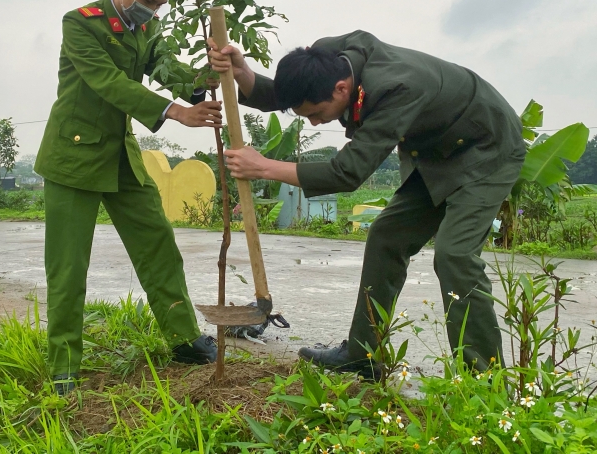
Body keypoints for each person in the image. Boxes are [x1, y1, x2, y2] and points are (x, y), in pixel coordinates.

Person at [208, 30, 525, 373]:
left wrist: (265, 167)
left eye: (317, 113)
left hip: (486, 149)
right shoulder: (331, 58)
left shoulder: (398, 87)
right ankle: (363, 356)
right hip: (434, 153)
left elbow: (347, 172)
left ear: (341, 90)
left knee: (455, 255)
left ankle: (485, 379)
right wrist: (243, 73)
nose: (314, 121)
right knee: (386, 238)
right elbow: (294, 94)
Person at [35, 0, 223, 395]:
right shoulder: (80, 22)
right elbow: (109, 82)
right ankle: (64, 366)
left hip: (121, 156)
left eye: (160, 5)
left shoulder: (147, 27)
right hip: (72, 158)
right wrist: (175, 112)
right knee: (68, 267)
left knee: (158, 243)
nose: (153, 9)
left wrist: (201, 79)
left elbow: (163, 65)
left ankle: (182, 338)